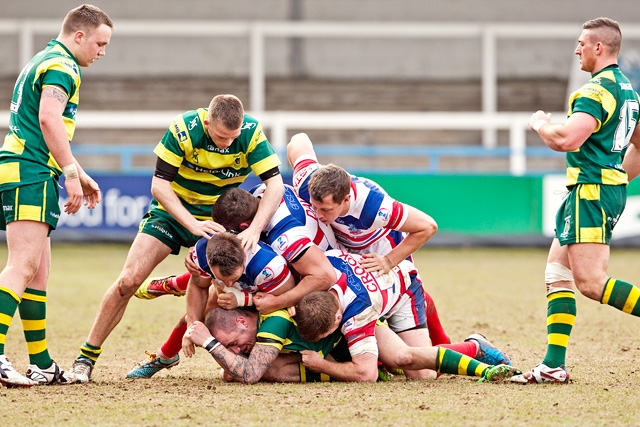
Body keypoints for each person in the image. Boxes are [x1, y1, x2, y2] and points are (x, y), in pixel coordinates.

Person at [68, 94, 285, 383]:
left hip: (219, 219)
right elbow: (159, 186)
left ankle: (167, 353)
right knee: (128, 281)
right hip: (173, 213)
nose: (227, 144)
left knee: (213, 296)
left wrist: (254, 229)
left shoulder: (250, 133)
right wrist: (192, 224)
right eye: (221, 137)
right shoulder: (184, 129)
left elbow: (276, 184)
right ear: (207, 123)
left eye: (232, 138)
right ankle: (86, 358)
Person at [511, 17, 640, 384]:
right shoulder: (628, 92)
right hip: (597, 190)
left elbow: (568, 139)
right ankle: (553, 365)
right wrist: (617, 180)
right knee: (557, 273)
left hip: (591, 192)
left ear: (600, 48)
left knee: (591, 283)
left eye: (582, 43)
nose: (577, 49)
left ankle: (553, 366)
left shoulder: (595, 91)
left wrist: (539, 124)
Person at [0, 4, 112, 388]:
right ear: (78, 35)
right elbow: (49, 119)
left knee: (38, 273)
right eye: (99, 43)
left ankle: (42, 365)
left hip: (28, 166)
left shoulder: (44, 58)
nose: (101, 51)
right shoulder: (63, 66)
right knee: (23, 265)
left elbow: (43, 126)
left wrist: (79, 172)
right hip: (31, 171)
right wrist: (70, 175)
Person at [284, 133, 450, 347]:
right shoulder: (308, 181)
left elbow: (428, 226)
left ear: (345, 200)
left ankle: (441, 341)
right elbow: (298, 140)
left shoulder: (374, 207)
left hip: (381, 246)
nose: (317, 214)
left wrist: (389, 261)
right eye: (314, 207)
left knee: (400, 295)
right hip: (346, 244)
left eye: (324, 209)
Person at [294, 249, 513, 382]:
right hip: (376, 292)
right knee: (395, 357)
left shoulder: (357, 313)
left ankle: (475, 346)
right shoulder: (322, 268)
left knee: (420, 372)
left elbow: (365, 374)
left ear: (337, 320)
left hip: (405, 292)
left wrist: (322, 365)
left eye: (326, 334)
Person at [184, 299, 516, 384]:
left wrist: (209, 344)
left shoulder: (274, 319)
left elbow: (247, 372)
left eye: (234, 342)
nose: (236, 349)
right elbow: (235, 371)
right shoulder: (237, 303)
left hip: (352, 323)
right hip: (331, 342)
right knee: (262, 370)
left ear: (243, 320)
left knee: (408, 363)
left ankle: (473, 346)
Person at [126, 232, 295, 378]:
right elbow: (199, 286)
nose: (228, 284)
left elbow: (285, 298)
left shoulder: (268, 267)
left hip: (262, 289)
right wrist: (192, 325)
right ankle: (166, 354)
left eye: (233, 278)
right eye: (221, 277)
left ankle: (176, 284)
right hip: (229, 280)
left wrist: (242, 299)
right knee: (195, 317)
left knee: (210, 302)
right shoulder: (203, 251)